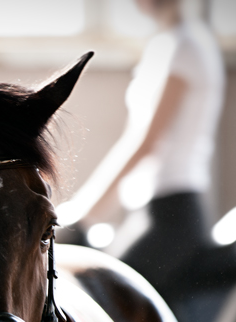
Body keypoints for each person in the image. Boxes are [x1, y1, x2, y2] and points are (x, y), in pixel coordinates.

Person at [57, 0, 225, 293]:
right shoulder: (168, 44)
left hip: (171, 215)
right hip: (149, 212)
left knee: (105, 294)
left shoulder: (185, 47)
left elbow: (148, 143)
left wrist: (85, 212)